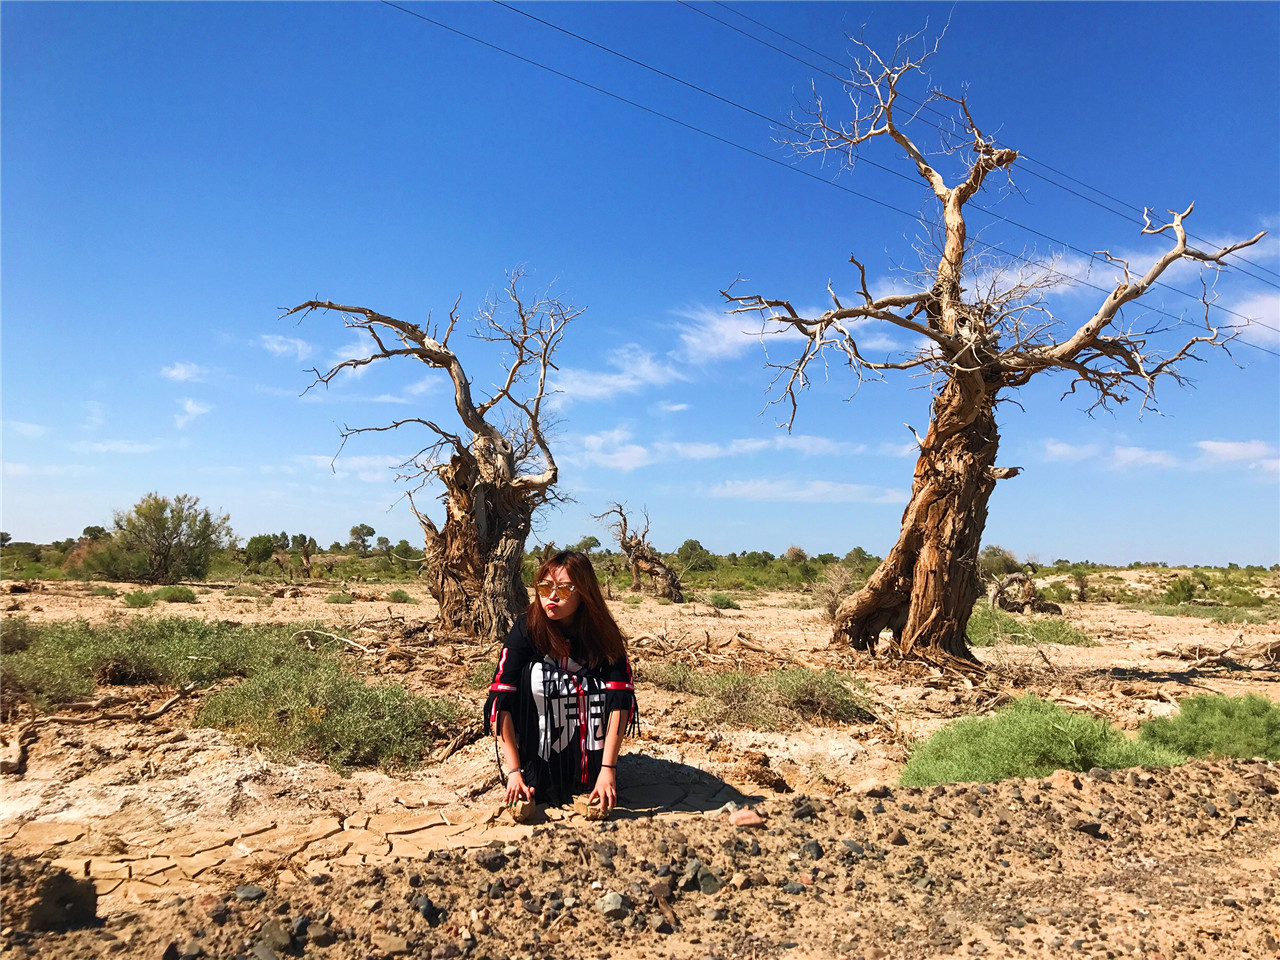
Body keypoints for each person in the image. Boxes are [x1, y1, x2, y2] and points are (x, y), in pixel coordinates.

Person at [483, 551, 638, 812]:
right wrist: (514, 770)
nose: (551, 597)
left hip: (591, 745)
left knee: (600, 689)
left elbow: (621, 702)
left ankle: (590, 774)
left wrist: (609, 769)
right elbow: (501, 700)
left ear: (584, 593)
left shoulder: (602, 632)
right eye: (544, 587)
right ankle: (537, 773)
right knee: (534, 676)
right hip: (536, 744)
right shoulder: (527, 627)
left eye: (564, 590)